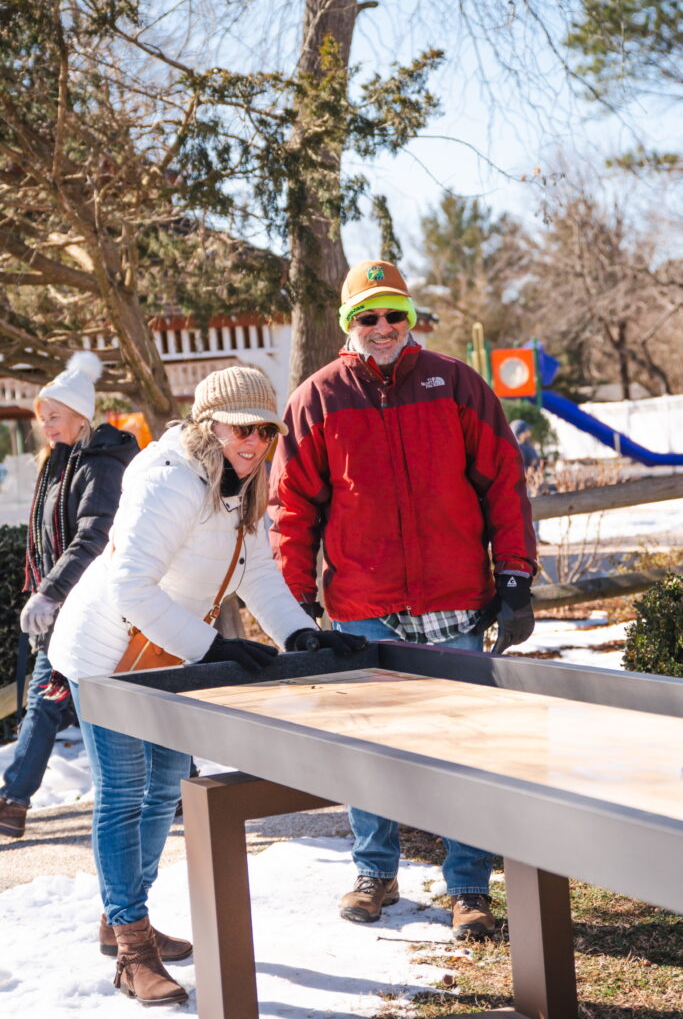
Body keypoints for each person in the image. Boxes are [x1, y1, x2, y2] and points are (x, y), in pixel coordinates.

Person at [49, 365, 365, 1007]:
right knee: (123, 792)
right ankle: (132, 948)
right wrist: (214, 646)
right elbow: (129, 586)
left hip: (167, 655)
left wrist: (299, 635)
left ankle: (121, 917)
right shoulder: (171, 482)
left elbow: (259, 577)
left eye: (264, 431)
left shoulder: (239, 488)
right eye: (239, 429)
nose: (252, 441)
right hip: (107, 652)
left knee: (165, 787)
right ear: (208, 426)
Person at [269, 260, 537, 941]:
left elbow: (503, 482)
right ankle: (374, 871)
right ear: (348, 326)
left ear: (410, 317)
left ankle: (469, 886)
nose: (383, 328)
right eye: (368, 317)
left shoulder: (456, 385)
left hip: (453, 600)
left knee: (464, 747)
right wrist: (292, 606)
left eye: (395, 314)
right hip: (363, 604)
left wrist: (514, 577)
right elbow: (290, 510)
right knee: (369, 747)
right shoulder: (317, 398)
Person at [0, 352, 138, 839]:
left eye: (54, 416)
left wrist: (50, 593)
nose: (46, 426)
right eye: (42, 419)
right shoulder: (58, 465)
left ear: (81, 415)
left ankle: (176, 782)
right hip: (60, 606)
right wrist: (40, 593)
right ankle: (12, 801)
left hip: (96, 605)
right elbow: (45, 543)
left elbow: (94, 536)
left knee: (123, 699)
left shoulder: (100, 464)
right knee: (45, 700)